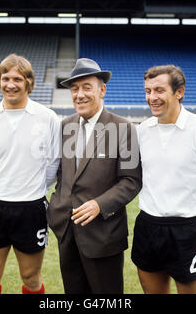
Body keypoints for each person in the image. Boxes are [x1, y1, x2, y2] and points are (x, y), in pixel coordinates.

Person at [131, 64, 196, 294]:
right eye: (148, 91)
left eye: (159, 90)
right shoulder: (141, 131)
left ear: (179, 92)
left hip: (188, 230)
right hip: (148, 227)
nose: (152, 97)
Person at [47, 58, 142, 294]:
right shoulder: (65, 126)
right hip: (66, 230)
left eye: (86, 87)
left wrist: (99, 205)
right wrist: (57, 207)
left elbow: (132, 181)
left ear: (102, 90)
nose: (79, 95)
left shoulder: (123, 128)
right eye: (74, 89)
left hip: (103, 234)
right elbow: (64, 174)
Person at [0, 54, 60, 294]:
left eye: (18, 78)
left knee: (31, 277)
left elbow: (55, 162)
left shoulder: (47, 117)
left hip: (31, 209)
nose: (11, 84)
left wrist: (34, 187)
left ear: (28, 82)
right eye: (6, 78)